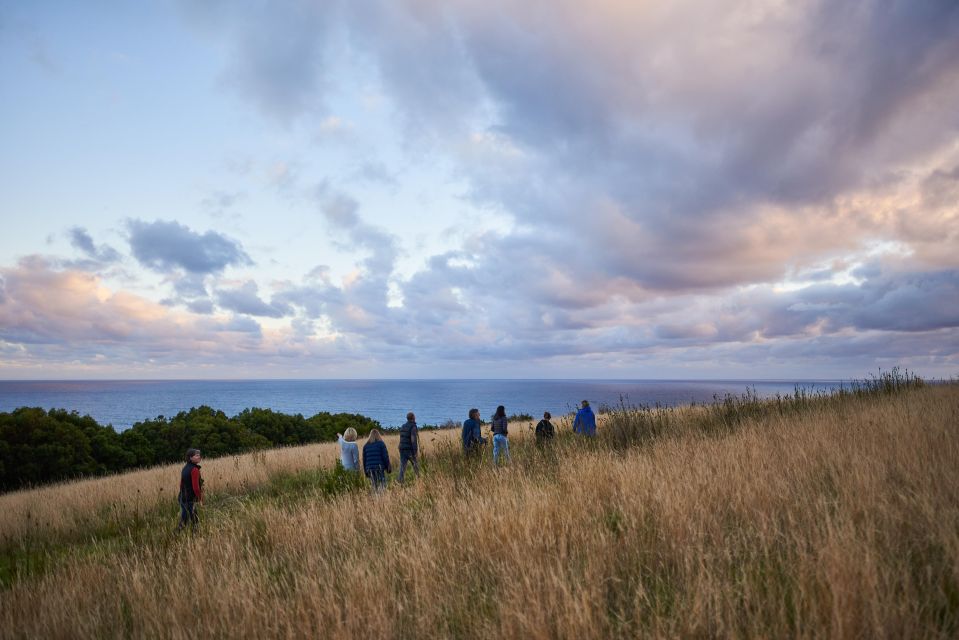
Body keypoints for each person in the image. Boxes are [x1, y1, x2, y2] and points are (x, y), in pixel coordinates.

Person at [177, 448, 203, 532]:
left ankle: (177, 534)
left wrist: (182, 496)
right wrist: (200, 498)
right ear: (190, 458)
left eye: (199, 455)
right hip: (190, 499)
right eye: (196, 455)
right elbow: (196, 487)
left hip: (182, 497)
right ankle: (195, 535)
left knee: (184, 520)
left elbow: (181, 484)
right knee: (195, 520)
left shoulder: (185, 468)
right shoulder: (194, 470)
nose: (199, 457)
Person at [397, 411, 420, 483]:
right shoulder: (413, 426)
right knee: (415, 464)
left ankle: (400, 481)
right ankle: (419, 480)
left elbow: (401, 437)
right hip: (409, 449)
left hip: (401, 448)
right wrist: (415, 451)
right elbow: (413, 440)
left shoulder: (403, 426)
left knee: (402, 466)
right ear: (413, 417)